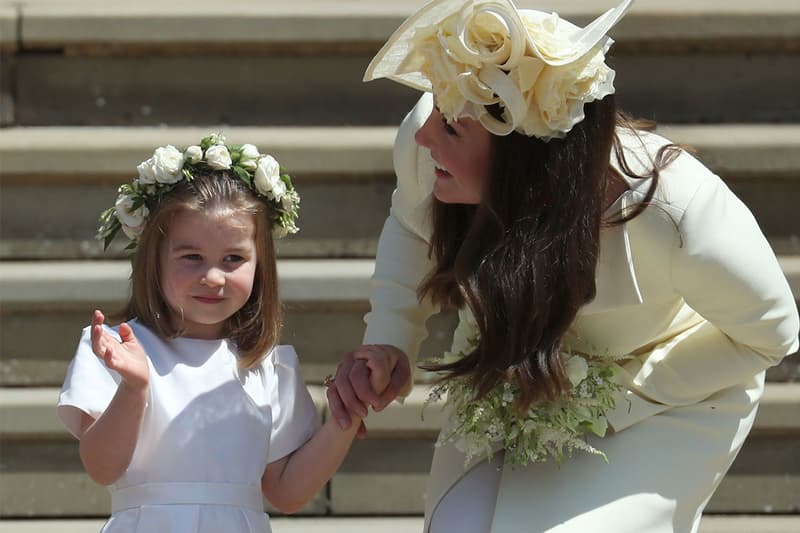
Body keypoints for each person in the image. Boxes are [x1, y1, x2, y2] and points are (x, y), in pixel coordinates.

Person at [326, 0, 800, 532]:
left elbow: (771, 335)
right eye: (434, 112)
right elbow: (411, 228)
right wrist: (390, 340)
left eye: (452, 129)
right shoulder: (428, 146)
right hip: (514, 365)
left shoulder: (677, 210)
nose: (423, 137)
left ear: (526, 160)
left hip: (668, 394)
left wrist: (606, 399)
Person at [57, 133, 391, 533]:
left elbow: (287, 490)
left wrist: (346, 415)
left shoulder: (268, 364)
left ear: (260, 263)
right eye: (191, 258)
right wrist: (133, 389)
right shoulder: (119, 349)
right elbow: (102, 466)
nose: (212, 277)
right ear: (154, 259)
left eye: (233, 258)